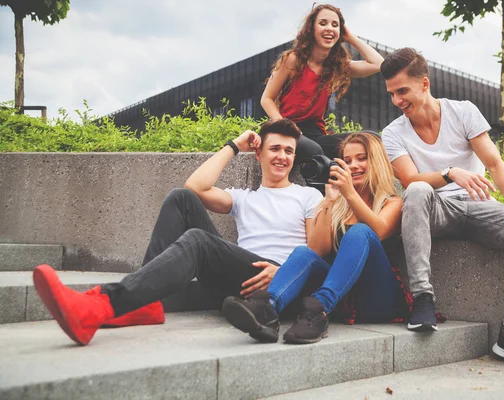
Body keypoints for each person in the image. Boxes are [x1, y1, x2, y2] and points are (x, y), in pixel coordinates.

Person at [32, 118, 323, 346]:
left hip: (277, 284)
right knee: (180, 198)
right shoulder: (244, 198)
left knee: (198, 242)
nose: (282, 157)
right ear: (258, 153)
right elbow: (195, 187)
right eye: (275, 148)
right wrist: (234, 146)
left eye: (289, 151)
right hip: (239, 277)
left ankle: (103, 305)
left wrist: (284, 272)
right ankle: (143, 305)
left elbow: (316, 252)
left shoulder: (308, 197)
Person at [379, 48, 504, 372]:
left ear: (424, 83)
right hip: (435, 208)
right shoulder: (393, 133)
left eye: (402, 91)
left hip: (478, 205)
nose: (396, 101)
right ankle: (423, 300)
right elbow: (408, 178)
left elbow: (494, 163)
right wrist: (450, 173)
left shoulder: (462, 112)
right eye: (391, 94)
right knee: (417, 190)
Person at [222, 132, 411, 344]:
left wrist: (350, 194)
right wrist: (330, 203)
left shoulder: (392, 202)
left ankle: (318, 310)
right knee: (303, 253)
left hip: (377, 297)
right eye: (347, 161)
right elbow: (317, 250)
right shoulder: (339, 204)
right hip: (342, 299)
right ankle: (267, 309)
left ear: (376, 161)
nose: (354, 166)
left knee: (360, 232)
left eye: (362, 158)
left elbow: (379, 231)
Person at [261, 3, 384, 161]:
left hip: (316, 136)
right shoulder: (293, 59)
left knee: (372, 139)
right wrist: (285, 127)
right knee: (314, 150)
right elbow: (266, 99)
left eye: (335, 25)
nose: (329, 28)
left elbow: (378, 64)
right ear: (311, 29)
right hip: (284, 130)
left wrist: (351, 37)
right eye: (323, 23)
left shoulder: (335, 66)